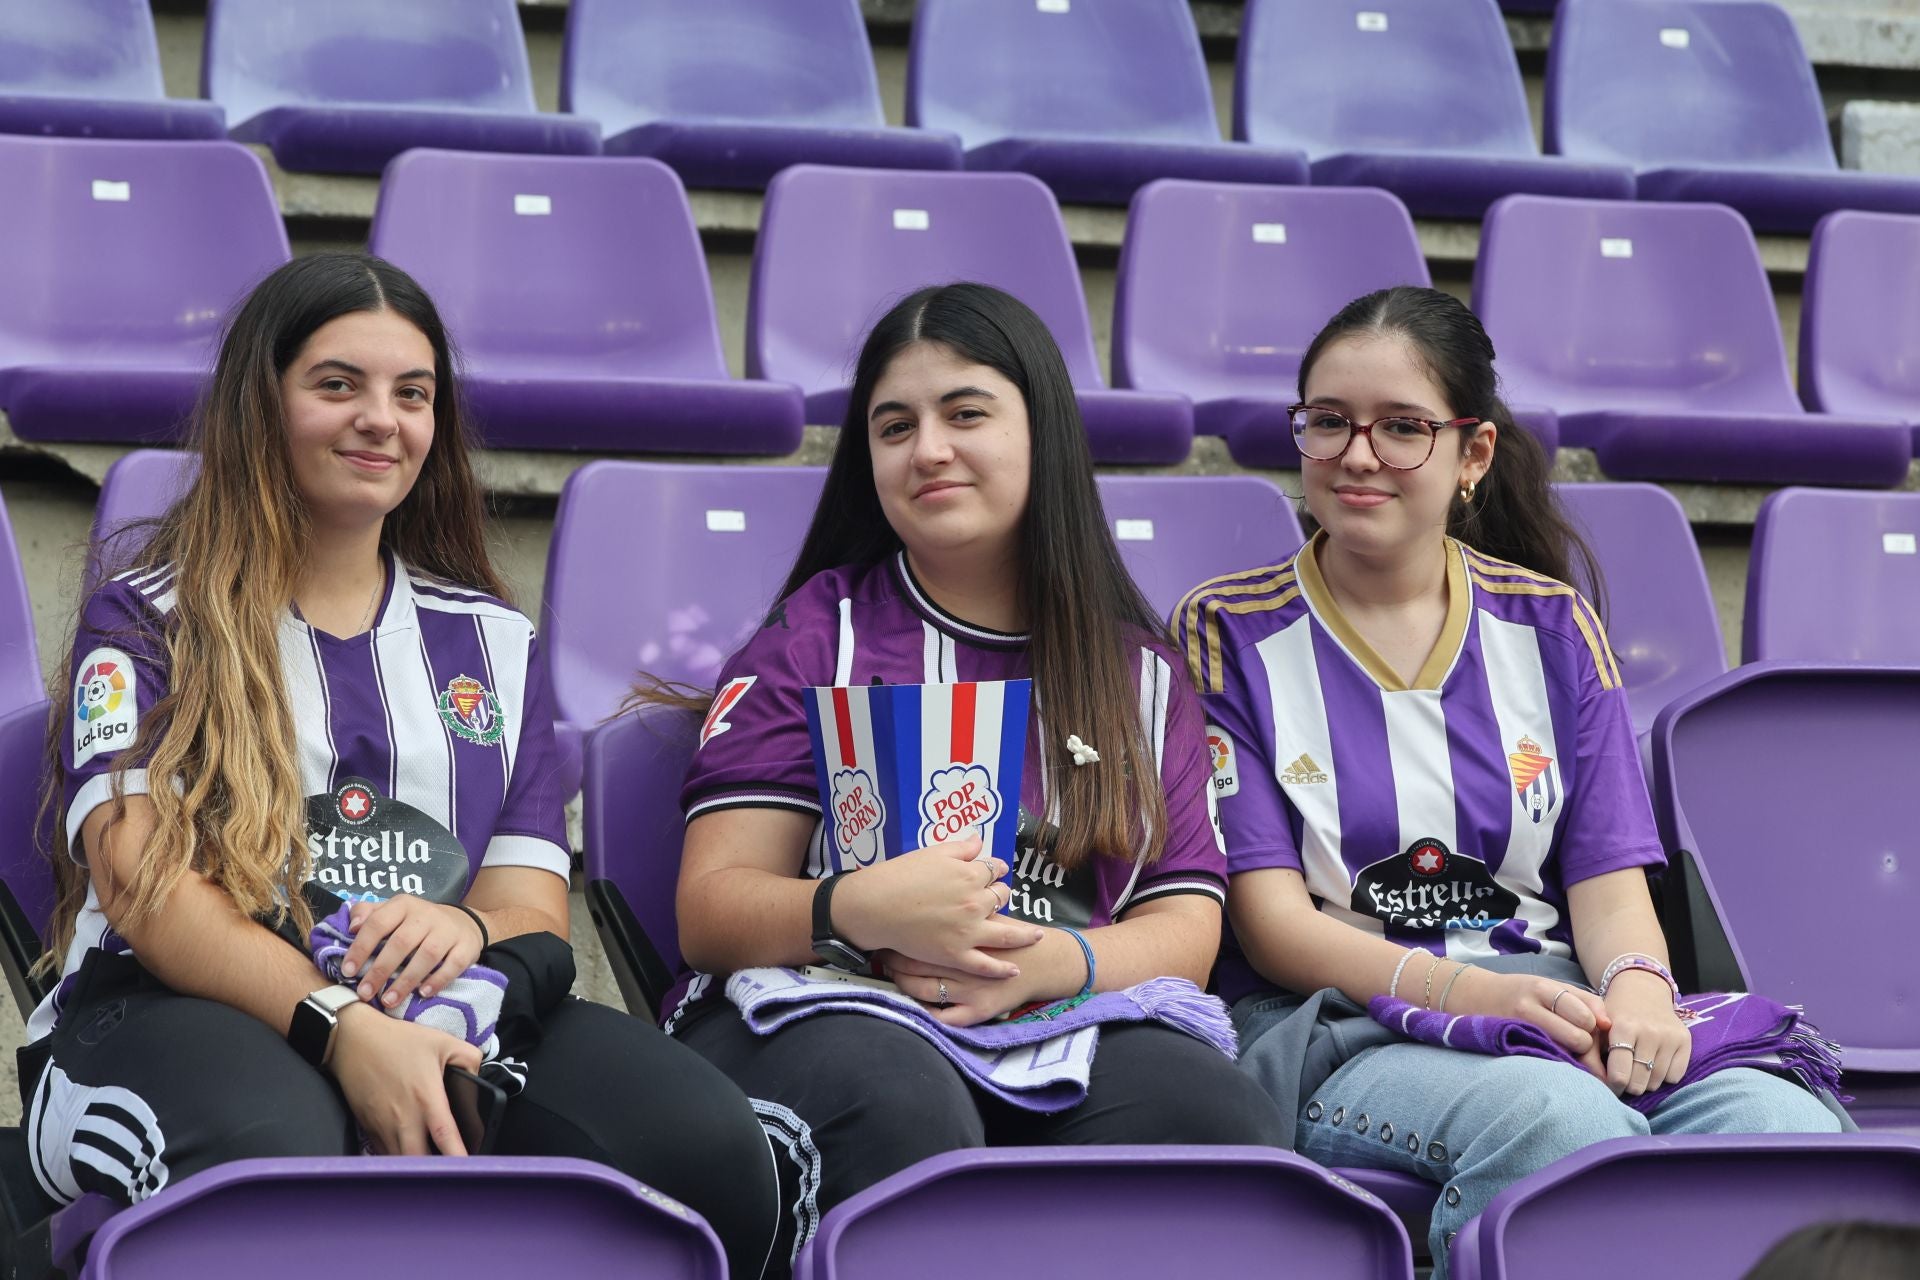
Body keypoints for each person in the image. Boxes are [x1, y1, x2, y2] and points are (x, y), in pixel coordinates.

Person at [29, 253, 777, 1277]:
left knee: (697, 1145)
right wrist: (340, 1027)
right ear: (261, 404)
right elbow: (145, 888)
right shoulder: (147, 620)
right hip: (163, 1005)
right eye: (338, 384)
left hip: (440, 1003)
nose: (382, 418)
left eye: (412, 393)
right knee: (280, 1157)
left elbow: (527, 907)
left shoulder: (492, 643)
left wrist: (463, 925)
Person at [1174, 286, 1843, 1274]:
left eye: (1402, 427)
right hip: (1342, 1030)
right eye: (1328, 422)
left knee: (1784, 1131)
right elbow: (1274, 925)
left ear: (1472, 453)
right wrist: (1470, 994)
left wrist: (1645, 994)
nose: (1358, 454)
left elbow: (1610, 889)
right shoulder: (1225, 629)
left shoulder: (1554, 625)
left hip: (1559, 1009)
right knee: (1561, 1124)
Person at [665, 282, 1287, 1270]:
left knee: (1217, 1112)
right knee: (907, 1101)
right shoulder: (815, 636)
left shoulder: (1139, 670)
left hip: (1059, 1006)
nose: (929, 450)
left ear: (1041, 429)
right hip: (830, 1005)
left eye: (966, 413)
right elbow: (711, 907)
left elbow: (1187, 928)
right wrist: (861, 905)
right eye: (894, 425)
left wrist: (1056, 965)